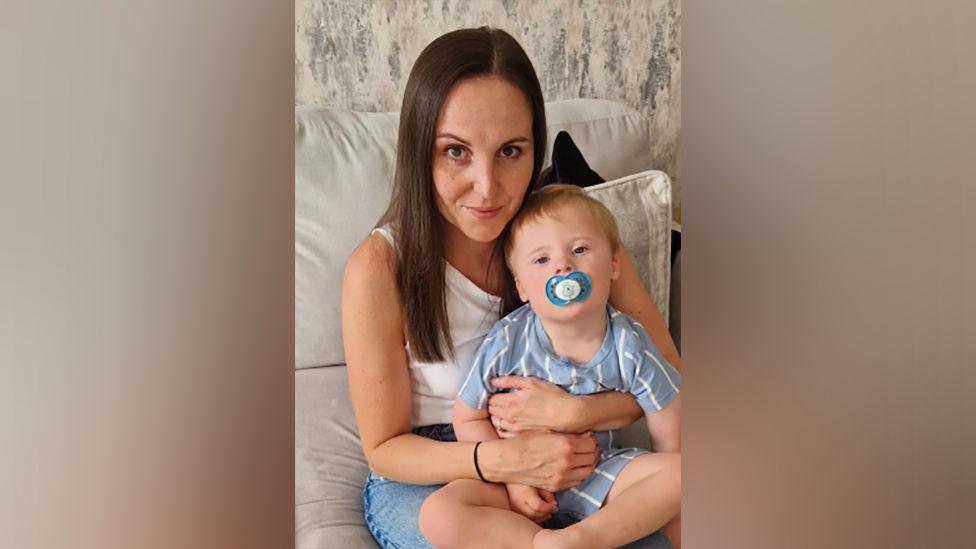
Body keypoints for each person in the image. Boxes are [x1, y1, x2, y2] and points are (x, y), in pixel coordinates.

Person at [342, 27, 682, 548]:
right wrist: (506, 463)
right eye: (456, 151)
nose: (487, 186)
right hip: (437, 467)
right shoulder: (379, 266)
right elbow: (385, 447)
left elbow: (663, 380)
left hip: (573, 452)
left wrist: (576, 414)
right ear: (418, 152)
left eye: (510, 152)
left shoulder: (569, 242)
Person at [418, 184, 681, 549]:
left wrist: (662, 492)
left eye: (579, 249)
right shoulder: (508, 340)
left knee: (686, 473)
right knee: (439, 512)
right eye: (542, 260)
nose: (563, 265)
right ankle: (540, 543)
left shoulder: (630, 343)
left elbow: (668, 416)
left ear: (614, 265)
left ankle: (585, 539)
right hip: (519, 478)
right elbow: (468, 416)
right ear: (522, 286)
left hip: (600, 471)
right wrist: (514, 480)